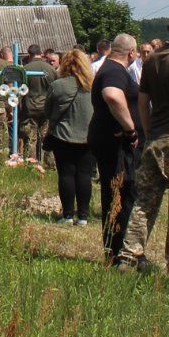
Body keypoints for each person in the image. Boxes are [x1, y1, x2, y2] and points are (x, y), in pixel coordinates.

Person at [115, 11, 169, 275]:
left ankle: (128, 257)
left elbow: (144, 101)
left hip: (155, 140)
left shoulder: (152, 60)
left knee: (144, 203)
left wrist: (148, 132)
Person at [89, 33, 141, 263]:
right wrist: (130, 129)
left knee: (118, 193)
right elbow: (112, 95)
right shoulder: (115, 71)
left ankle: (116, 250)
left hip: (110, 140)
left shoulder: (110, 68)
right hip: (116, 143)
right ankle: (118, 252)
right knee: (120, 194)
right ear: (131, 53)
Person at [46, 48, 95, 224]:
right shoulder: (92, 86)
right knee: (85, 175)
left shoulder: (57, 85)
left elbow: (47, 111)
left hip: (62, 135)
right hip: (88, 136)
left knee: (66, 174)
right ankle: (83, 216)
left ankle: (67, 215)